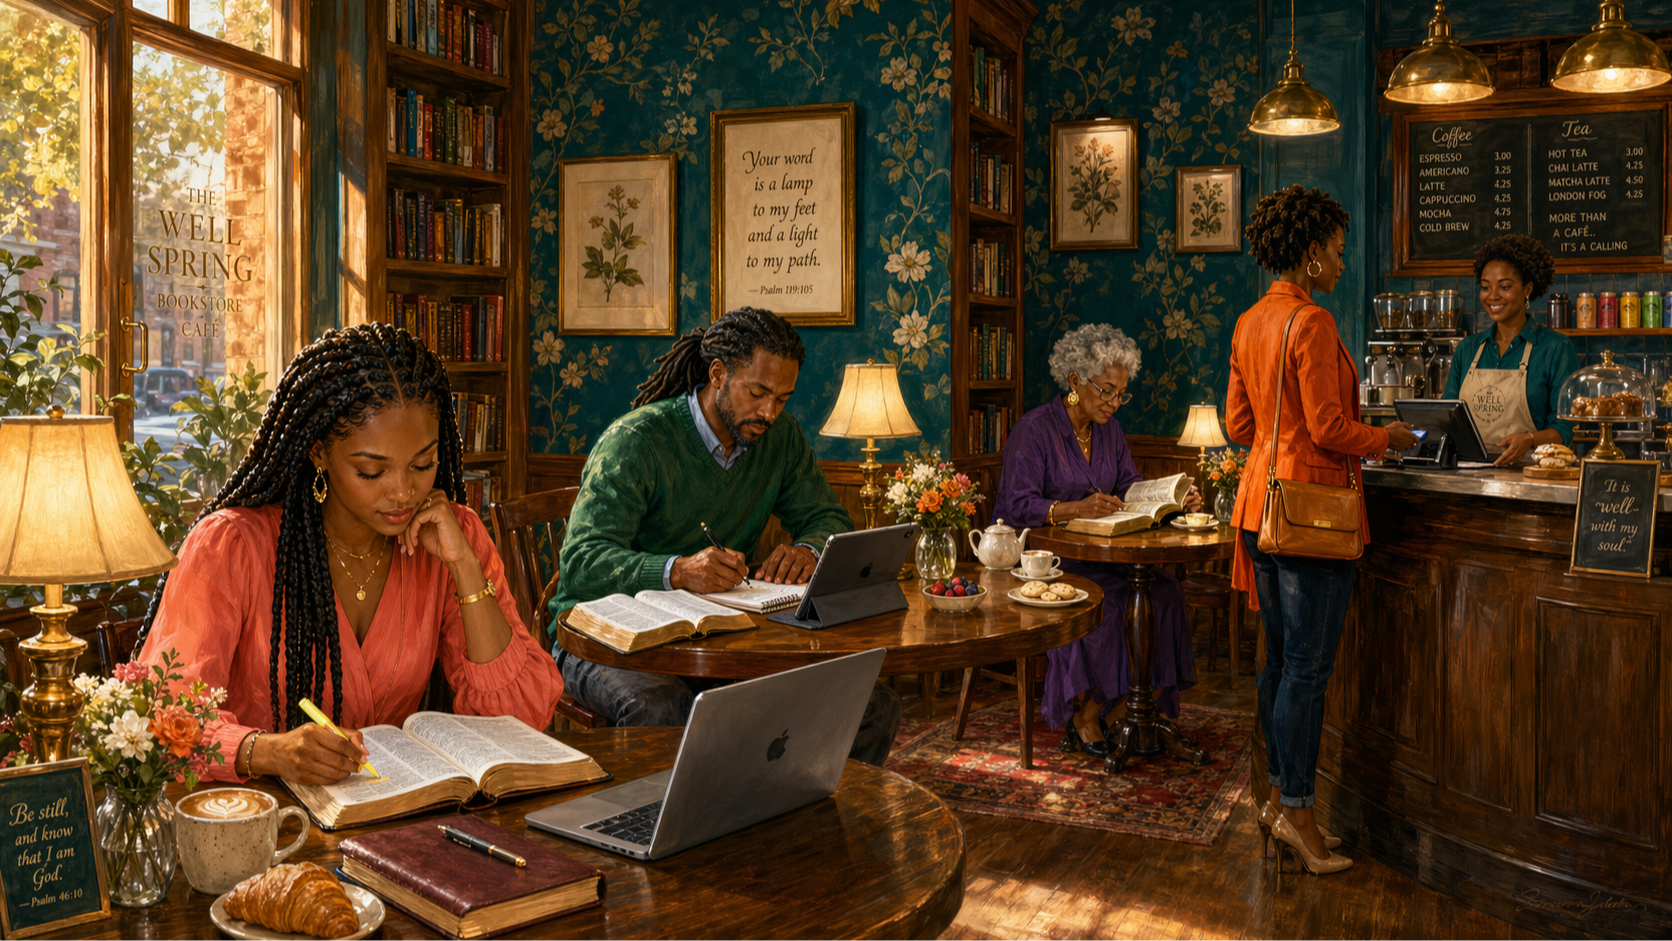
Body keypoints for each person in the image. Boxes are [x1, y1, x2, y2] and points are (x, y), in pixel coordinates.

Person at [135, 323, 564, 785]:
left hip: (389, 808)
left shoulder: (451, 537)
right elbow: (161, 718)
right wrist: (267, 751)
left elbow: (519, 719)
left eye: (422, 464)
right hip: (256, 814)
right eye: (371, 472)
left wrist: (464, 566)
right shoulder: (230, 547)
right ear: (319, 451)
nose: (403, 492)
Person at [548, 307, 902, 765]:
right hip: (600, 641)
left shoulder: (779, 438)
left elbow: (827, 516)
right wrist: (677, 571)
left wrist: (809, 550)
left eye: (783, 398)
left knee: (869, 705)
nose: (769, 412)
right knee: (665, 707)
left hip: (717, 642)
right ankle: (663, 815)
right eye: (757, 393)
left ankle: (788, 809)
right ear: (718, 374)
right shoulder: (636, 440)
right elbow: (581, 562)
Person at [1226, 184, 1419, 877]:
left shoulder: (1250, 320)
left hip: (1259, 508)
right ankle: (1300, 814)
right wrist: (1389, 437)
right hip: (1309, 514)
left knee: (1280, 665)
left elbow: (1239, 426)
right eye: (1336, 251)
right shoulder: (1309, 322)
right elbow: (1330, 428)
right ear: (1310, 254)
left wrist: (1280, 445)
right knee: (1306, 671)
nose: (1341, 262)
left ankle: (1280, 801)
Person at [993, 323, 1202, 759]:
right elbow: (1016, 505)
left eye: (1121, 393)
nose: (1114, 402)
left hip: (1105, 555)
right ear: (1075, 381)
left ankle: (1127, 708)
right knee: (1111, 603)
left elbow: (1129, 487)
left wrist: (1173, 499)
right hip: (1052, 562)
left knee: (1165, 592)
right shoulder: (1034, 430)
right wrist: (1075, 508)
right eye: (1106, 390)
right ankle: (1086, 715)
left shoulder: (1110, 430)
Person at [1441, 234, 1580, 466]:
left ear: (1527, 289)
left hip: (1531, 474)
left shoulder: (1555, 348)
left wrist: (1530, 439)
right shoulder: (1467, 349)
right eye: (1485, 287)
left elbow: (1564, 428)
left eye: (1504, 287)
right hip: (1468, 474)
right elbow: (1447, 416)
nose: (1493, 296)